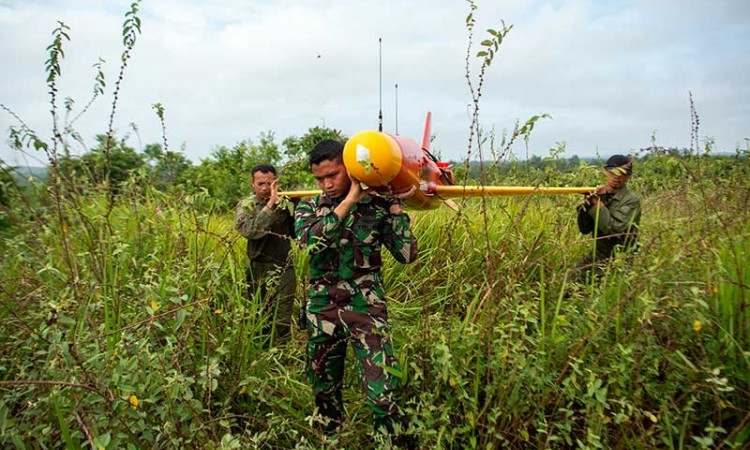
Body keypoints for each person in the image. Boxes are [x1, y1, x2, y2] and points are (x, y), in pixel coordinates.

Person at [294, 139, 418, 436]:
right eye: (319, 178)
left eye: (332, 175)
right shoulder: (309, 207)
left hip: (366, 310)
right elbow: (310, 243)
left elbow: (406, 255)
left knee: (383, 394)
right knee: (324, 390)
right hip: (322, 311)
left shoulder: (377, 208)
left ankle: (392, 442)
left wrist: (397, 211)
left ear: (349, 168)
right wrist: (349, 201)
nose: (325, 184)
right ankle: (331, 439)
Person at [235, 164, 296, 343]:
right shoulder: (246, 205)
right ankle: (261, 357)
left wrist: (297, 209)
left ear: (275, 183)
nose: (265, 188)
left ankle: (282, 359)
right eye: (260, 183)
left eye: (269, 183)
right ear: (252, 183)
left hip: (284, 267)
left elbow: (297, 233)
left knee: (282, 318)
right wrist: (270, 206)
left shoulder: (285, 203)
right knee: (259, 315)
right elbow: (250, 231)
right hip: (257, 268)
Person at [574, 154, 642, 279]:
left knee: (601, 295)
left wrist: (597, 204)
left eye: (623, 173)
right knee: (568, 281)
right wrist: (588, 204)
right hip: (598, 255)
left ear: (628, 177)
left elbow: (614, 229)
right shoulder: (599, 195)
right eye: (613, 172)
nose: (617, 177)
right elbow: (584, 229)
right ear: (605, 171)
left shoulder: (631, 201)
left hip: (620, 259)